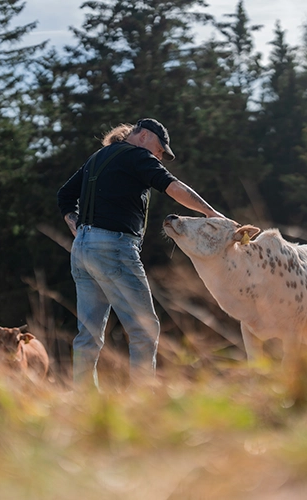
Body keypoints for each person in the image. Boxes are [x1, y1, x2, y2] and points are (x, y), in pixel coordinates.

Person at [57, 118, 225, 387]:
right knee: (144, 329)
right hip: (114, 247)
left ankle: (84, 399)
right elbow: (172, 186)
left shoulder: (97, 157)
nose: (158, 157)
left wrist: (79, 228)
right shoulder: (137, 155)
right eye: (159, 150)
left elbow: (65, 195)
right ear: (145, 135)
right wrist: (210, 213)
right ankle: (142, 397)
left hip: (82, 250)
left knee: (88, 334)